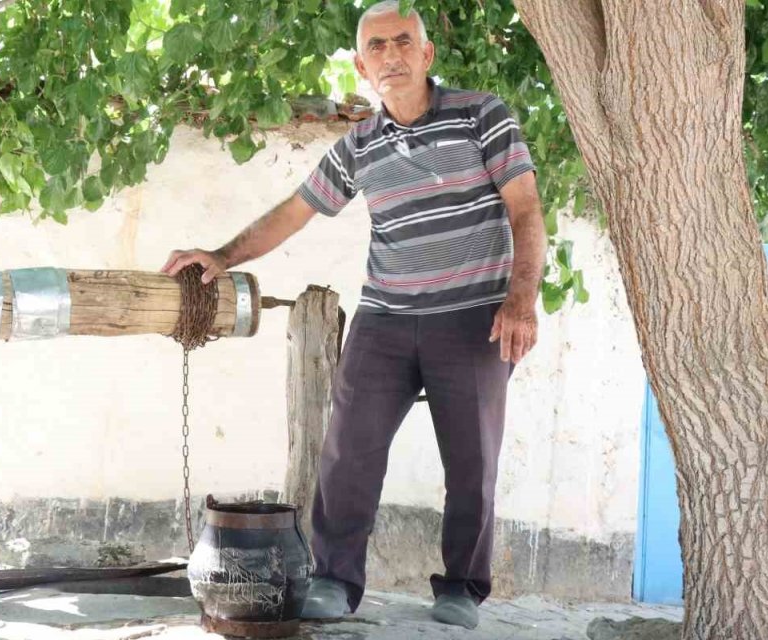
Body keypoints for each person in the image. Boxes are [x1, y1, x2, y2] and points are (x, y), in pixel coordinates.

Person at [161, 1, 545, 630]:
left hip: (474, 316)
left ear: (426, 54)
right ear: (363, 67)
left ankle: (461, 589)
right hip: (386, 318)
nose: (390, 55)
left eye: (402, 42)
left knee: (473, 459)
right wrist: (223, 255)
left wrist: (521, 299)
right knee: (347, 452)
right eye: (376, 47)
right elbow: (295, 210)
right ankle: (336, 581)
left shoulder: (483, 116)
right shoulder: (359, 145)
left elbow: (526, 211)